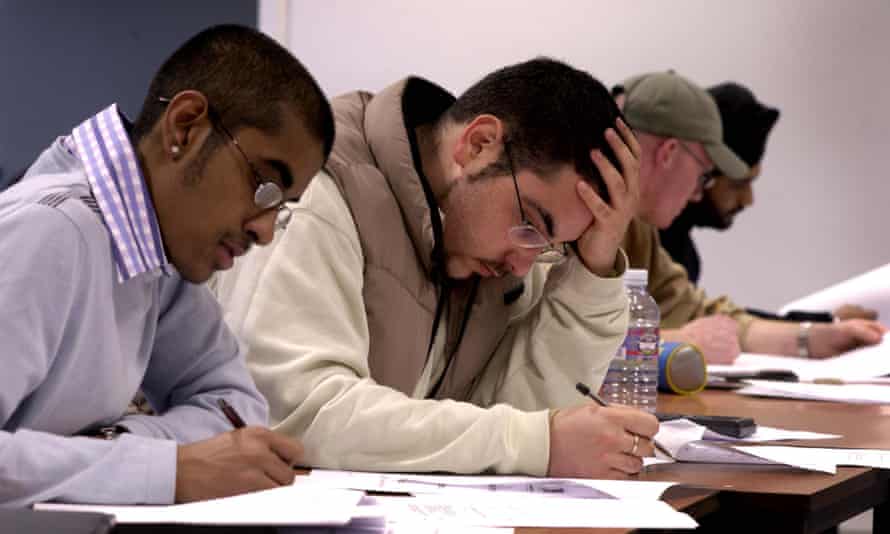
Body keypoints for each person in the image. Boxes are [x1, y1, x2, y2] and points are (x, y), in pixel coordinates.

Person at [216, 58, 658, 479]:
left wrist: (591, 268)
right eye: (530, 226)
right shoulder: (320, 194)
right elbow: (298, 417)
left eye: (551, 246)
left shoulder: (486, 250)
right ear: (478, 144)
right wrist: (535, 442)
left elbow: (508, 419)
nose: (524, 265)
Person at [0, 25, 334, 507]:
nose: (265, 230)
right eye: (264, 187)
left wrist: (111, 446)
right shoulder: (49, 232)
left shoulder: (157, 250)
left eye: (282, 207)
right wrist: (167, 471)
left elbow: (236, 409)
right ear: (185, 128)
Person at [613, 72, 886, 364]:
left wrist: (811, 338)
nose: (697, 194)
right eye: (704, 175)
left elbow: (697, 312)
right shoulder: (571, 216)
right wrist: (681, 341)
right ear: (668, 153)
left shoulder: (638, 227)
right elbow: (565, 344)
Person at [659, 82, 877, 323]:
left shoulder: (676, 245)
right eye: (738, 184)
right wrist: (813, 327)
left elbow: (699, 316)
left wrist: (818, 324)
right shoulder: (648, 237)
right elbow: (692, 324)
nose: (748, 200)